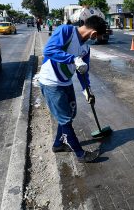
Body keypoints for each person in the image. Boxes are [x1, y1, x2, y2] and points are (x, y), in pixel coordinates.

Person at [38, 9, 107, 163]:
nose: (96, 40)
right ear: (93, 34)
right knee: (65, 118)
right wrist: (73, 59)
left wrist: (86, 90)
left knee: (70, 114)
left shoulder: (86, 48)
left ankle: (58, 145)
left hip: (66, 82)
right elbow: (49, 50)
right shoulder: (66, 31)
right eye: (98, 37)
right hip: (51, 82)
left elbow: (83, 71)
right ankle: (80, 154)